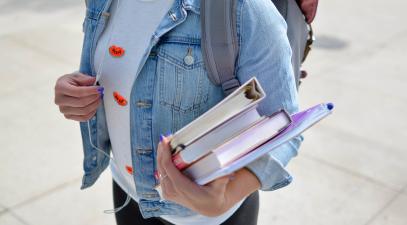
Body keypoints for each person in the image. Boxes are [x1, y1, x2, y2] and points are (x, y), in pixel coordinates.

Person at [54, 0, 302, 224]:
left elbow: (284, 126)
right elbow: (113, 70)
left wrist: (225, 198)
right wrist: (75, 93)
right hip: (127, 193)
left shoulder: (246, 8)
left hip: (208, 220)